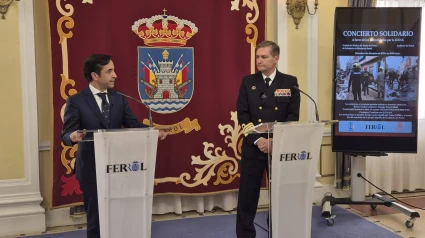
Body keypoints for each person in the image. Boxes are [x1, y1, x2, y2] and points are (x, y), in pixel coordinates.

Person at [61, 54, 167, 238]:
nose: (115, 75)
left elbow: (132, 123)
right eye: (109, 71)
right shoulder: (76, 101)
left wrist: (152, 131)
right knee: (96, 218)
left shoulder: (119, 98)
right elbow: (65, 135)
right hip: (91, 168)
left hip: (119, 166)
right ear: (95, 75)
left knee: (119, 213)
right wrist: (73, 136)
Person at [235, 40, 300, 238]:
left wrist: (274, 142)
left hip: (278, 149)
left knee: (279, 197)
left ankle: (277, 232)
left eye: (264, 57)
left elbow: (292, 116)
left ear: (276, 58)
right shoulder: (248, 81)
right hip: (254, 148)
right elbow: (243, 115)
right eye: (257, 57)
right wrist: (259, 141)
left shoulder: (290, 82)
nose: (259, 60)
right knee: (247, 198)